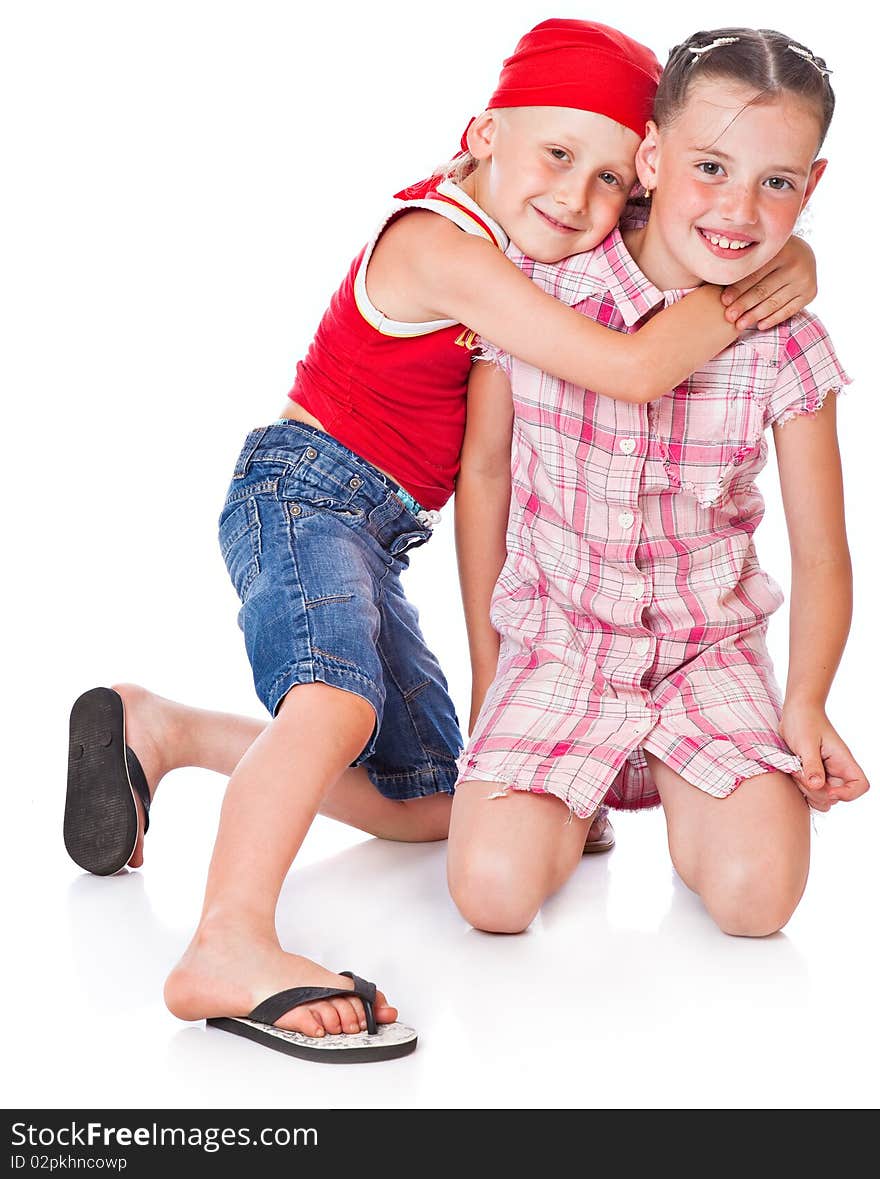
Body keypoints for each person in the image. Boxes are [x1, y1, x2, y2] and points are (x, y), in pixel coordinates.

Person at [64, 21, 819, 1062]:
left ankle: (171, 733)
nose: (577, 199)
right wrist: (764, 287)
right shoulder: (439, 244)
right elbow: (634, 367)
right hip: (303, 492)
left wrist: (794, 246)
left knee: (432, 803)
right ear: (480, 135)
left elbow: (711, 211)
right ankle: (226, 941)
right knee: (332, 702)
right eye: (556, 158)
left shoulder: (545, 226)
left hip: (375, 529)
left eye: (608, 178)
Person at [449, 26, 870, 942]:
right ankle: (573, 796)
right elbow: (483, 473)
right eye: (710, 168)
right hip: (558, 643)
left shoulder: (787, 340)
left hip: (703, 654)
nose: (740, 209)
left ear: (812, 186)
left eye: (777, 182)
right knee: (492, 892)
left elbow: (823, 549)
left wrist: (806, 702)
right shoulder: (539, 284)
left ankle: (678, 787)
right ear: (650, 155)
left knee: (759, 903)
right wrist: (490, 667)